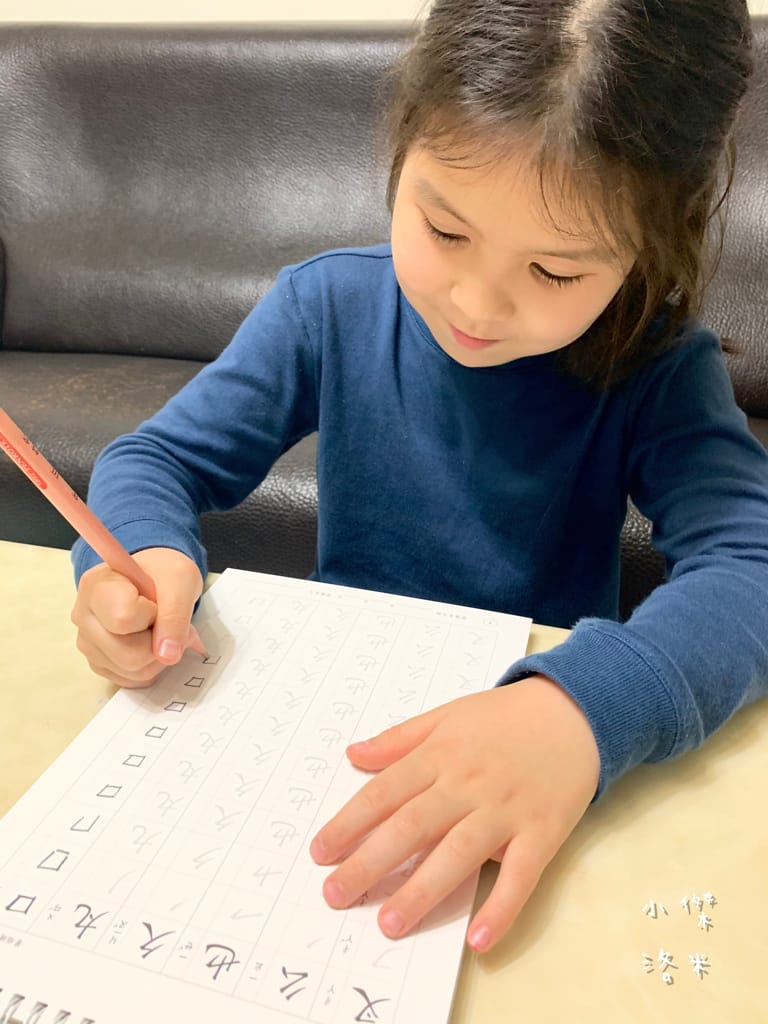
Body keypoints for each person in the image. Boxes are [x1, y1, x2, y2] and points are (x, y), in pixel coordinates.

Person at [71, 0, 768, 954]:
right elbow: (156, 460)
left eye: (556, 273)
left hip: (531, 755)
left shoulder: (656, 366)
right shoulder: (326, 305)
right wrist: (140, 556)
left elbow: (751, 563)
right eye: (444, 230)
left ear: (651, 243)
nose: (476, 305)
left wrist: (580, 711)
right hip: (324, 730)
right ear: (400, 154)